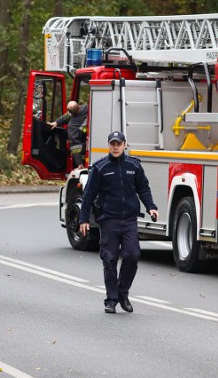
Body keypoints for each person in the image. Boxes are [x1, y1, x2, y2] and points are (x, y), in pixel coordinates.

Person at [79, 131, 158, 314]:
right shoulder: (101, 167)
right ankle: (111, 299)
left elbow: (143, 188)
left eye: (119, 144)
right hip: (109, 220)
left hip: (129, 219)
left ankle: (123, 293)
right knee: (110, 259)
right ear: (108, 145)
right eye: (112, 144)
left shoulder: (134, 165)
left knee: (132, 255)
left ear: (125, 145)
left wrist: (151, 206)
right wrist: (83, 219)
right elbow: (88, 195)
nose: (116, 147)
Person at [51, 100, 88, 169]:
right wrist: (57, 122)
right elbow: (68, 115)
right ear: (78, 106)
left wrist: (79, 163)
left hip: (84, 146)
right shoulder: (86, 108)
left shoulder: (73, 126)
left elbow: (75, 145)